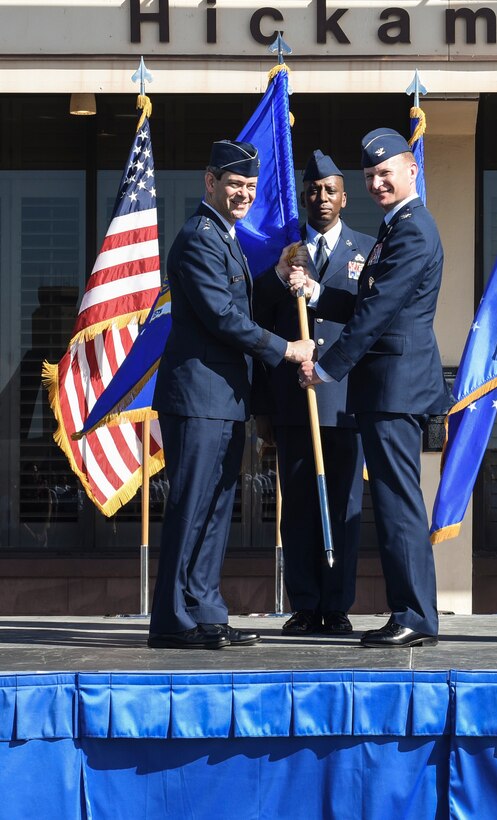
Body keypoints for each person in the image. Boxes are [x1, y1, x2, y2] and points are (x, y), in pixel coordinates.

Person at [148, 139, 315, 650]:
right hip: (198, 397)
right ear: (210, 182)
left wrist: (277, 278)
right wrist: (287, 350)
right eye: (234, 184)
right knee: (191, 505)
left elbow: (236, 301)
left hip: (221, 399)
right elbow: (222, 316)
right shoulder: (199, 237)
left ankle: (205, 611)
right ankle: (173, 620)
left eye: (249, 186)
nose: (243, 194)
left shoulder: (225, 236)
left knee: (217, 508)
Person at [295, 128, 452, 648]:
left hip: (395, 387)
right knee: (391, 501)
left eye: (387, 173)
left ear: (412, 170)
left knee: (397, 502)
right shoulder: (395, 226)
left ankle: (414, 614)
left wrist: (326, 367)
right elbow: (370, 301)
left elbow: (379, 313)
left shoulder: (412, 229)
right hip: (386, 387)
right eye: (369, 177)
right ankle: (410, 610)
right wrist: (318, 292)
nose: (378, 182)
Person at [253, 150, 374, 636]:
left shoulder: (367, 250)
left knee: (344, 507)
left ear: (345, 197)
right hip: (294, 401)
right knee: (299, 506)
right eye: (313, 190)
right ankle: (305, 603)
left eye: (331, 190)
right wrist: (264, 408)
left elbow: (369, 321)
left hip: (344, 401)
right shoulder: (284, 252)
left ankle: (337, 604)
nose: (321, 198)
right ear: (302, 196)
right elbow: (257, 319)